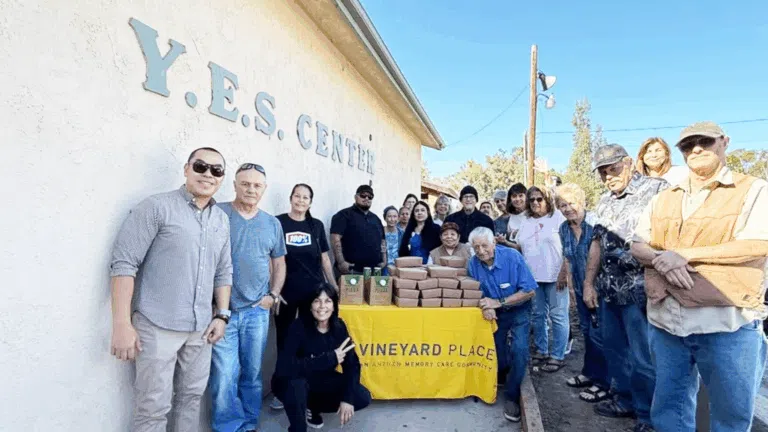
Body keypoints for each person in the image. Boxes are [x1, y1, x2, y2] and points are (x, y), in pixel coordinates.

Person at [631, 122, 768, 432]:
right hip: (666, 323)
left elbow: (759, 243)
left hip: (725, 323)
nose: (695, 149)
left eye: (704, 142)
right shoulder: (663, 198)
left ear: (724, 142)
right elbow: (637, 244)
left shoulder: (753, 189)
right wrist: (660, 259)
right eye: (687, 145)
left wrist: (685, 255)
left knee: (729, 418)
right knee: (669, 412)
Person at [109, 147, 233, 432]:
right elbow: (124, 264)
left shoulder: (221, 220)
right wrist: (121, 324)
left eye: (216, 170)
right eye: (201, 166)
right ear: (187, 169)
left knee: (191, 400)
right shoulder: (156, 207)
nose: (207, 174)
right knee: (152, 407)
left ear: (222, 178)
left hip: (201, 328)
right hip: (156, 325)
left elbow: (224, 270)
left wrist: (222, 315)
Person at [583, 144, 667, 432]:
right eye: (603, 172)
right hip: (608, 290)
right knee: (615, 351)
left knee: (644, 358)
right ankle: (624, 401)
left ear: (629, 163)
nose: (609, 176)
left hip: (640, 290)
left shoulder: (658, 190)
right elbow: (595, 243)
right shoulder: (604, 202)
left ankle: (648, 416)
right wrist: (587, 283)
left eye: (613, 168)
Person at [210, 163, 287, 432]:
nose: (250, 189)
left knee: (252, 375)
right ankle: (228, 426)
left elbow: (279, 263)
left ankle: (249, 423)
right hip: (223, 311)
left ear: (264, 189)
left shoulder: (271, 223)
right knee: (224, 375)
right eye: (245, 184)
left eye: (256, 185)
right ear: (234, 185)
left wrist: (273, 295)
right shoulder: (217, 213)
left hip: (257, 311)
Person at [271, 183, 338, 410]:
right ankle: (281, 391)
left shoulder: (316, 225)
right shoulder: (278, 222)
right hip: (286, 294)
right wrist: (273, 291)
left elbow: (325, 259)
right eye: (297, 196)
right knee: (285, 342)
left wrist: (333, 285)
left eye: (306, 197)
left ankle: (311, 392)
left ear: (310, 201)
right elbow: (272, 259)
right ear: (290, 198)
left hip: (313, 294)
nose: (301, 200)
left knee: (312, 341)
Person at [273, 283, 372, 431]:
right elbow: (285, 367)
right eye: (317, 301)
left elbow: (353, 365)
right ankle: (298, 427)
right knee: (297, 385)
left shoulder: (339, 327)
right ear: (310, 305)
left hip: (321, 380)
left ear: (333, 306)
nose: (322, 306)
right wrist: (329, 358)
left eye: (327, 301)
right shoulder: (298, 327)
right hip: (293, 381)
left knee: (361, 396)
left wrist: (347, 399)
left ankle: (312, 407)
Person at [468, 227, 537, 423]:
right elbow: (476, 291)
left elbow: (530, 290)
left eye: (484, 246)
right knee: (496, 350)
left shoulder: (512, 257)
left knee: (520, 349)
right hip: (496, 312)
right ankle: (504, 375)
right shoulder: (473, 264)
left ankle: (512, 396)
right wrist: (484, 305)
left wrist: (499, 303)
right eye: (476, 247)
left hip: (519, 308)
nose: (481, 251)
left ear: (494, 244)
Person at [556, 183, 609, 404]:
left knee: (600, 336)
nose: (568, 209)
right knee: (586, 332)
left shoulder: (596, 224)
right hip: (579, 288)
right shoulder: (563, 229)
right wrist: (570, 288)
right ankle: (589, 373)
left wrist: (591, 286)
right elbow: (568, 259)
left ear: (583, 202)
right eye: (562, 205)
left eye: (571, 203)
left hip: (599, 290)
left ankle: (604, 383)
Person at [515, 186, 568, 373]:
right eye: (532, 200)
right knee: (538, 316)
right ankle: (542, 350)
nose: (536, 203)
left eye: (540, 199)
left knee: (558, 316)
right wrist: (507, 244)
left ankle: (558, 355)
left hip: (555, 277)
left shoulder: (558, 218)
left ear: (547, 200)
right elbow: (522, 247)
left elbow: (568, 248)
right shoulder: (526, 221)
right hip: (533, 278)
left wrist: (564, 272)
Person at [330, 185, 386, 275]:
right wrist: (341, 262)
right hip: (351, 270)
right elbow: (335, 239)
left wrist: (384, 260)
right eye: (363, 195)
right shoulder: (343, 215)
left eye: (370, 197)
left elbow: (382, 240)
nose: (367, 198)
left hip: (374, 271)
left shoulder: (376, 219)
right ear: (356, 197)